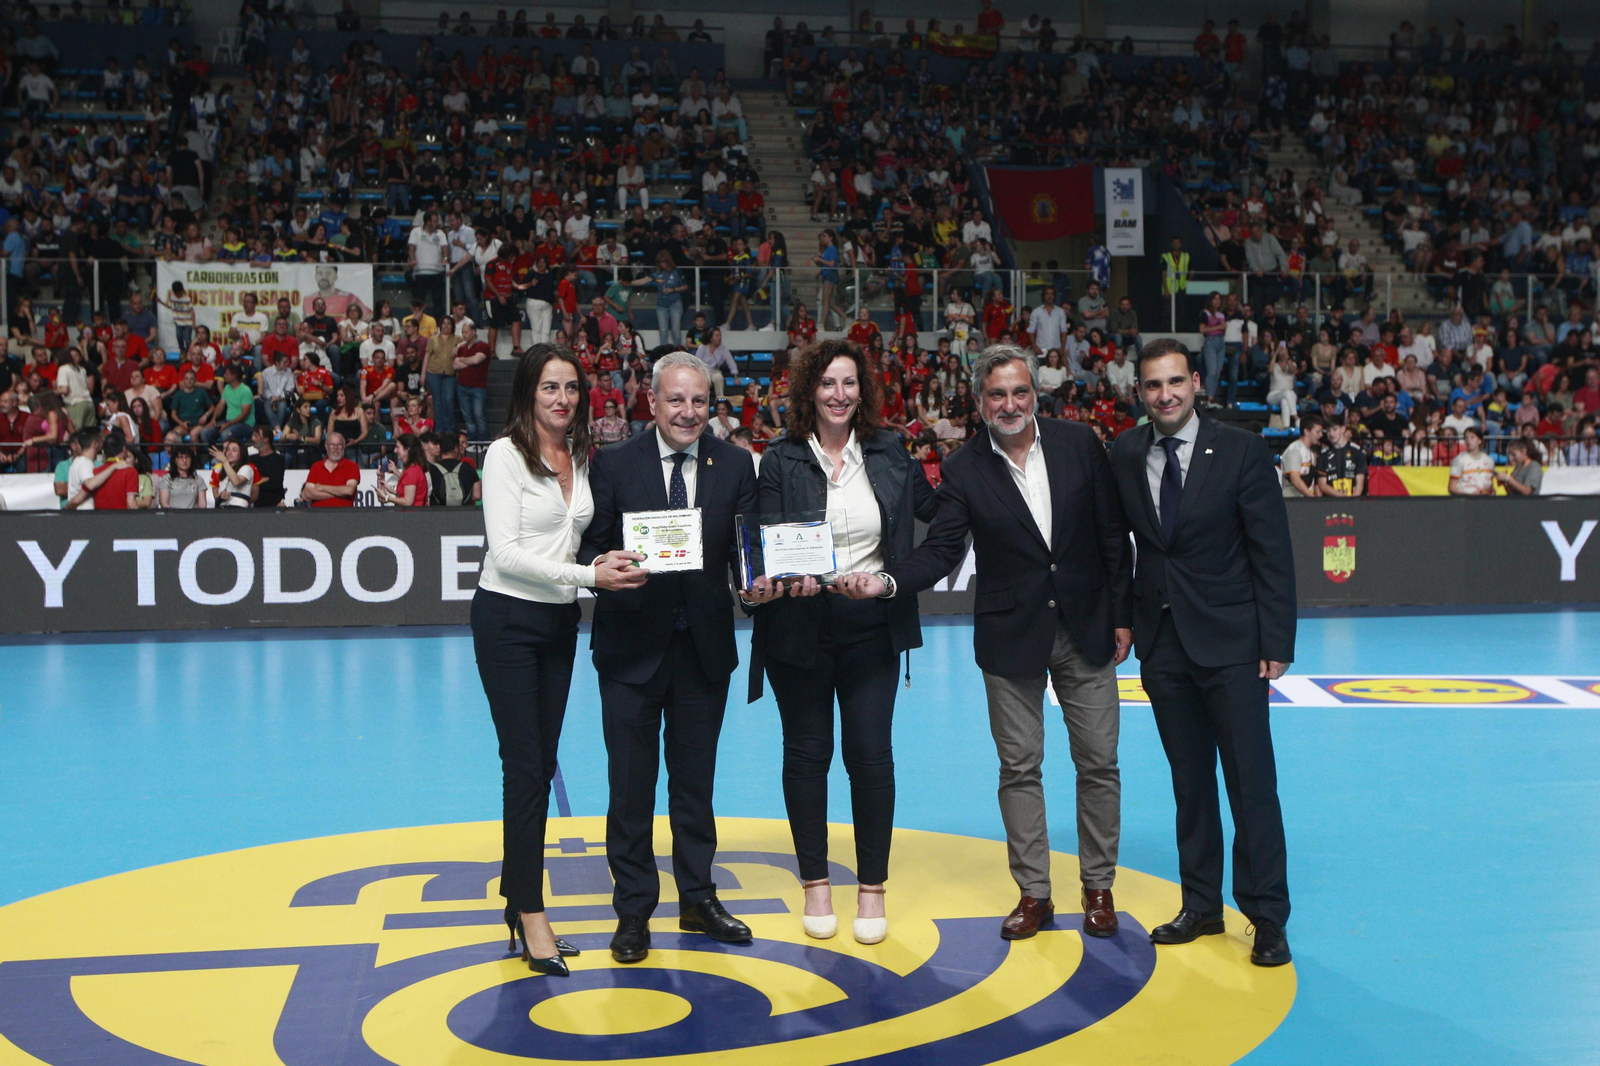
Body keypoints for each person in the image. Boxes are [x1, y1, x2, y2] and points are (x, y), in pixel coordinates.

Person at [838, 344, 1133, 942]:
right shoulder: (965, 467)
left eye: (1019, 392)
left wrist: (1122, 616)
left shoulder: (1080, 446)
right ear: (979, 402)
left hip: (1086, 627)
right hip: (1010, 636)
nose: (1010, 404)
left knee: (1098, 763)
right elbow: (944, 550)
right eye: (997, 395)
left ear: (1036, 394)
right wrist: (889, 581)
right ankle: (1035, 894)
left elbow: (1110, 536)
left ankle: (1098, 888)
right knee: (1020, 767)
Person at [577, 351, 777, 964]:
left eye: (698, 401)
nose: (688, 412)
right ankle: (633, 910)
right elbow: (589, 545)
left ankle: (698, 899)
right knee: (630, 789)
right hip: (630, 650)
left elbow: (748, 548)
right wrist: (602, 569)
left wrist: (755, 583)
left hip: (703, 652)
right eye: (676, 400)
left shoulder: (737, 462)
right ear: (651, 403)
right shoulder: (612, 463)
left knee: (695, 787)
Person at [1107, 338, 1296, 967]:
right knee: (1190, 784)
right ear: (1141, 392)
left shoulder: (1242, 451)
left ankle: (1267, 918)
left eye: (1174, 383)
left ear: (1195, 383)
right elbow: (1119, 547)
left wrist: (1276, 641)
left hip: (1235, 645)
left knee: (1252, 784)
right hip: (1163, 645)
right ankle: (1202, 906)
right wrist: (1123, 621)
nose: (1164, 395)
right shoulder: (1127, 451)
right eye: (1152, 386)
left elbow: (1271, 552)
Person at [749, 339, 938, 944]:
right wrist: (787, 579)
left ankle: (873, 888)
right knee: (806, 755)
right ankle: (815, 884)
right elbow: (769, 539)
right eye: (827, 383)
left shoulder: (889, 452)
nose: (839, 394)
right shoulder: (780, 458)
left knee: (870, 755)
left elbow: (937, 512)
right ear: (809, 392)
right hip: (799, 626)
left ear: (864, 390)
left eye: (849, 383)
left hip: (871, 625)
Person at [473, 344, 651, 977]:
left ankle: (514, 898)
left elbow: (586, 536)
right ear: (529, 392)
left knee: (540, 763)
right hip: (508, 621)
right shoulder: (504, 455)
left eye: (571, 388)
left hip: (558, 621)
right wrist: (589, 577)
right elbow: (506, 554)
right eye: (550, 387)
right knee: (525, 767)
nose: (562, 398)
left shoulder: (578, 456)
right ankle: (530, 911)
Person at [300, 432, 360, 506]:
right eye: (332, 444)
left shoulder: (352, 466)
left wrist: (322, 487)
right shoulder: (316, 466)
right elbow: (307, 494)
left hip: (344, 514)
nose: (335, 448)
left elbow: (349, 490)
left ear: (344, 446)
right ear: (326, 446)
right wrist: (339, 494)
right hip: (318, 515)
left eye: (339, 444)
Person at [376, 432, 431, 507]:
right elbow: (411, 496)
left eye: (398, 447)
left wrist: (387, 497)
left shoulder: (412, 472)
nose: (395, 450)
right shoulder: (413, 469)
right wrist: (383, 482)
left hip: (412, 516)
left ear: (407, 450)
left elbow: (408, 502)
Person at [1279, 414, 1323, 497]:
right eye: (1318, 432)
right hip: (1292, 500)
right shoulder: (1295, 450)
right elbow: (1295, 480)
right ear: (1306, 431)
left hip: (1304, 500)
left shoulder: (1310, 451)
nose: (1321, 435)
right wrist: (1312, 498)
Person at [1448, 426, 1496, 495]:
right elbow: (1451, 488)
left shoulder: (1489, 460)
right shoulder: (1458, 460)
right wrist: (1469, 495)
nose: (1468, 440)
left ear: (1480, 440)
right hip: (1467, 502)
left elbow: (1491, 484)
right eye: (1466, 438)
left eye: (1472, 437)